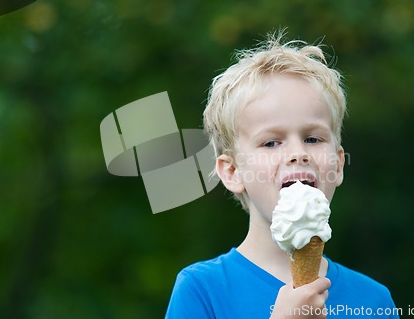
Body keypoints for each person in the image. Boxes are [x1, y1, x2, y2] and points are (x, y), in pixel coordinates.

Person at [165, 33, 400, 319]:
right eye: (271, 142)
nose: (297, 153)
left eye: (313, 139)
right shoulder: (202, 290)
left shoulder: (373, 300)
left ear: (338, 165)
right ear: (232, 172)